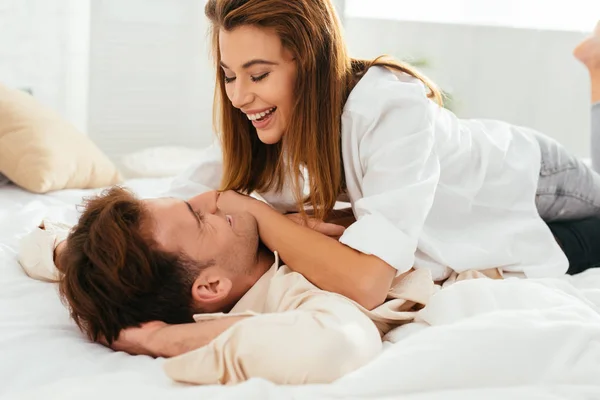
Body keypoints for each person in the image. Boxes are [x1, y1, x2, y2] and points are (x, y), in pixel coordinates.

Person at [163, 1, 600, 310]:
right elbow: (168, 206)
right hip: (462, 221)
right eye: (228, 75)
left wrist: (254, 213)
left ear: (311, 61)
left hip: (528, 177)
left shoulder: (387, 106)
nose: (239, 96)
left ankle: (597, 68)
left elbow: (366, 283)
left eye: (258, 74)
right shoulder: (262, 123)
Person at [19, 187, 444, 385]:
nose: (213, 199)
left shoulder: (233, 246)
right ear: (211, 287)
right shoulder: (292, 293)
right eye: (198, 215)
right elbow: (339, 345)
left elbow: (35, 242)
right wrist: (164, 340)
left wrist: (65, 255)